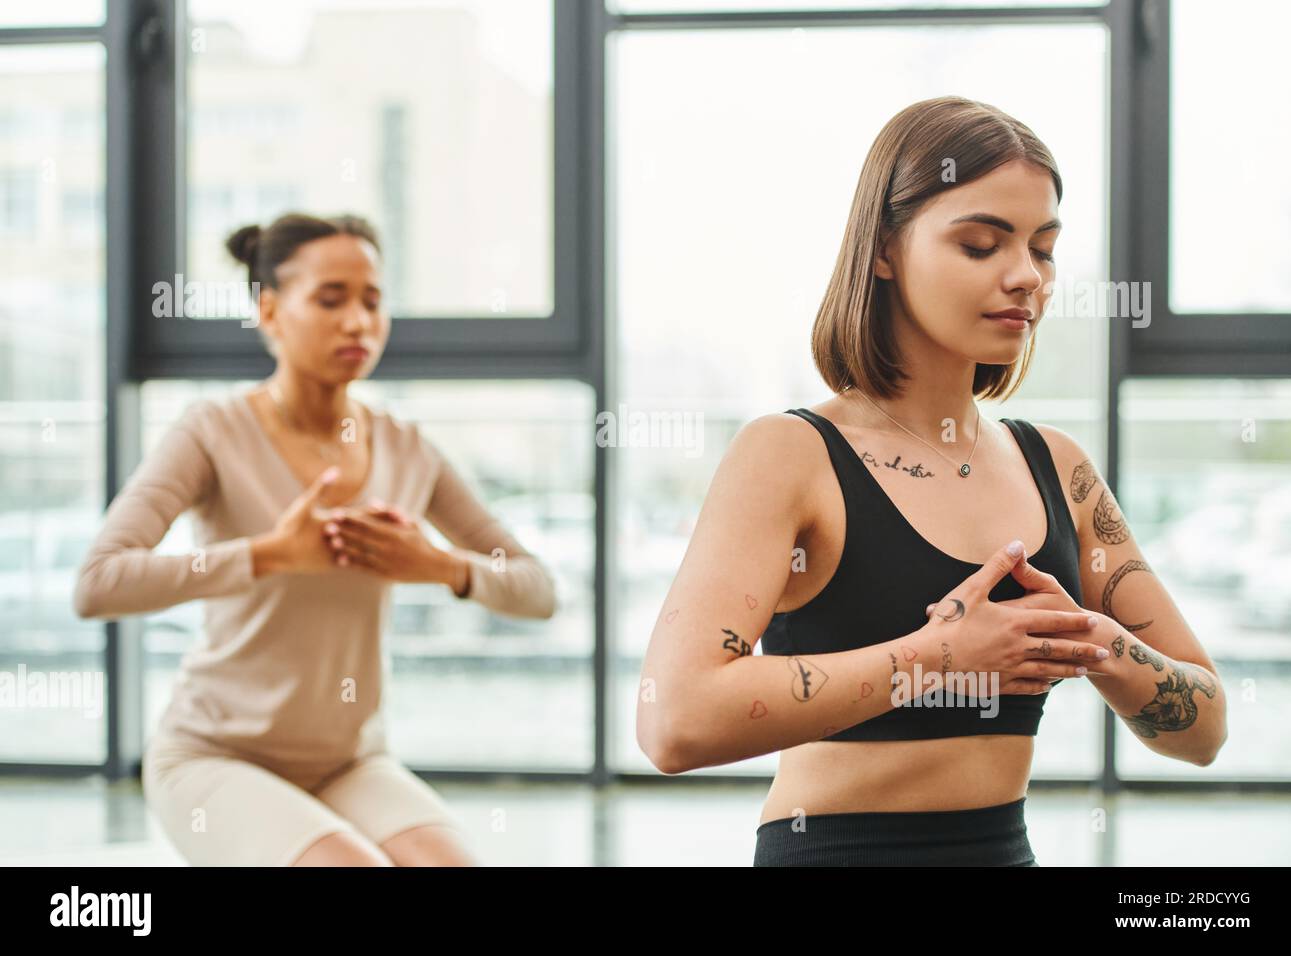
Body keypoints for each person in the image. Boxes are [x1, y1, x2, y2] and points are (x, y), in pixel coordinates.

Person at [636, 96, 1225, 866]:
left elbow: (1204, 729)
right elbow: (674, 722)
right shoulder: (790, 453)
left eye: (1042, 250)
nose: (1026, 278)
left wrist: (1097, 642)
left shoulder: (1058, 466)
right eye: (981, 245)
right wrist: (944, 657)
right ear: (883, 250)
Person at [74, 212, 558, 866]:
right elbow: (98, 582)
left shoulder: (407, 449)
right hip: (215, 756)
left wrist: (442, 566)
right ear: (270, 312)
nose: (358, 321)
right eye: (330, 300)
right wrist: (266, 555)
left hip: (349, 761)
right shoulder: (210, 431)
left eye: (373, 301)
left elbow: (538, 591)